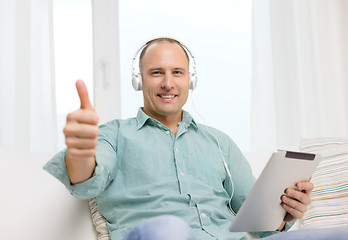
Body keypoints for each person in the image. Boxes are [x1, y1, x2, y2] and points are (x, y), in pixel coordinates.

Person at [44, 38, 346, 240]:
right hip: (161, 234)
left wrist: (285, 211)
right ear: (139, 80)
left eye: (177, 72)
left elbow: (259, 220)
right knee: (169, 229)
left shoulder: (219, 142)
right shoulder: (115, 134)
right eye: (156, 73)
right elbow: (86, 179)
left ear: (191, 79)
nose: (168, 83)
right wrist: (80, 149)